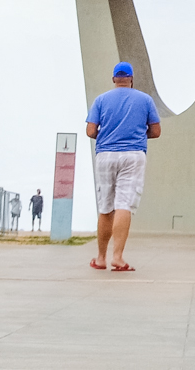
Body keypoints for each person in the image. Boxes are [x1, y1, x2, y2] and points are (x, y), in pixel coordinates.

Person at [85, 61, 160, 271]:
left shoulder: (100, 100)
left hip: (105, 155)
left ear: (113, 79)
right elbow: (156, 131)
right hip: (133, 155)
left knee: (105, 206)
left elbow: (91, 131)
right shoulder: (145, 100)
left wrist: (108, 135)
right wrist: (136, 134)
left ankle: (100, 258)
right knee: (124, 204)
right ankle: (118, 257)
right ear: (131, 79)